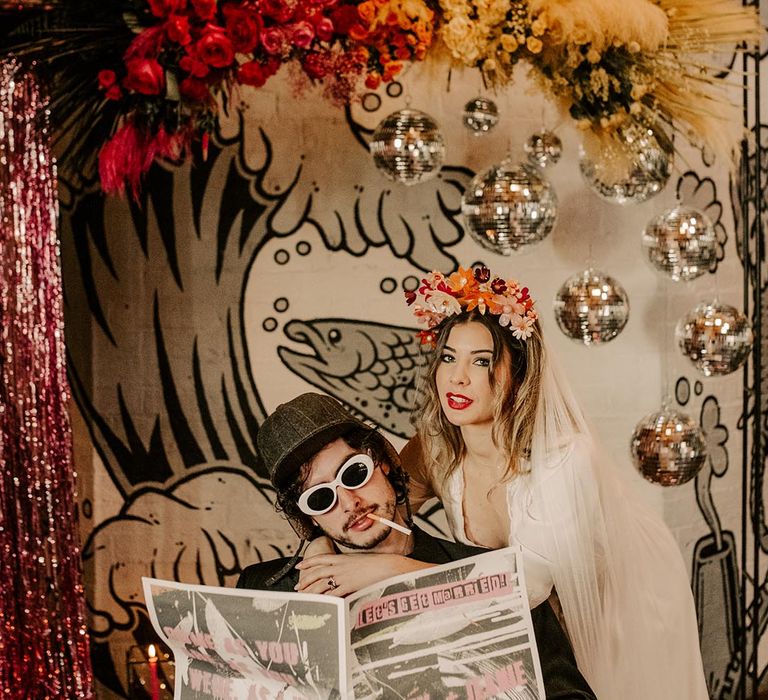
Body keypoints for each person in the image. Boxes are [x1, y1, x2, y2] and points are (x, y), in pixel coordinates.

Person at [298, 266, 709, 699]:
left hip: (619, 604)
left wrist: (388, 570)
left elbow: (525, 590)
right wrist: (320, 547)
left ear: (518, 374)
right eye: (448, 357)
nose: (457, 377)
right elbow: (375, 507)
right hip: (528, 620)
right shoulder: (435, 449)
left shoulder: (563, 460)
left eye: (482, 361)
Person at [239, 391, 597, 699]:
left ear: (383, 464)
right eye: (320, 499)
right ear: (309, 518)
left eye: (354, 474)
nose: (349, 502)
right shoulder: (263, 591)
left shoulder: (495, 576)